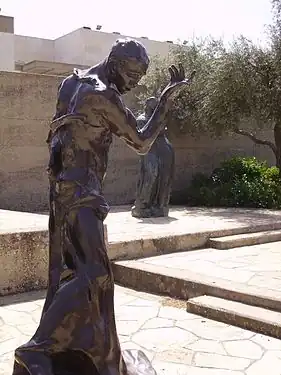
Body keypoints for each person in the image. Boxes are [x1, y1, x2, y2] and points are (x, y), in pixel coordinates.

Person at [12, 38, 195, 375]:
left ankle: (86, 353)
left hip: (64, 191)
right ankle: (37, 348)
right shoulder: (102, 95)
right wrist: (165, 101)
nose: (132, 83)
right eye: (130, 74)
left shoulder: (72, 82)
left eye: (139, 78)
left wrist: (59, 177)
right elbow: (140, 141)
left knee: (70, 276)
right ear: (114, 62)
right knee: (96, 277)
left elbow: (56, 135)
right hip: (81, 193)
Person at [132, 96, 175, 218]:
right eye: (153, 107)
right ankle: (142, 204)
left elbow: (162, 131)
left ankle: (160, 204)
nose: (155, 109)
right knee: (151, 174)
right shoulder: (141, 119)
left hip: (163, 149)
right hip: (149, 151)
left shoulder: (158, 118)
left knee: (165, 176)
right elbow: (144, 135)